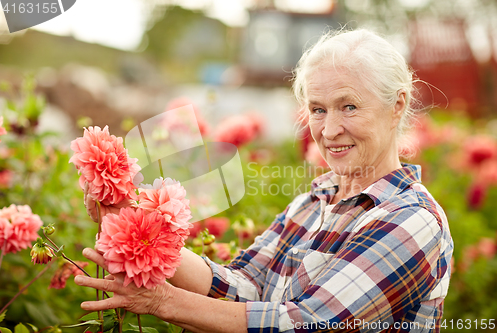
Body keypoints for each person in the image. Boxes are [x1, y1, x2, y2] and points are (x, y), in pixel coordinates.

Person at [75, 28, 453, 332]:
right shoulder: (310, 205)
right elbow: (240, 286)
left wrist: (162, 301)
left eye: (349, 106)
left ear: (397, 105)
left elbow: (306, 323)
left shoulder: (412, 220)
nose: (330, 129)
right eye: (318, 110)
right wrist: (134, 226)